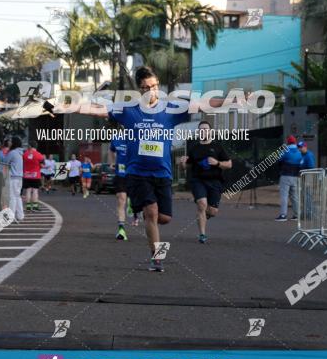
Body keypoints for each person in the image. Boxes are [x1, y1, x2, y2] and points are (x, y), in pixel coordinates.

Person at [79, 66, 226, 272]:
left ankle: (141, 215)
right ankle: (157, 259)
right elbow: (96, 109)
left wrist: (232, 100)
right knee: (152, 212)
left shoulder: (170, 109)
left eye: (155, 86)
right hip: (138, 173)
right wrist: (65, 106)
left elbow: (202, 105)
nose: (152, 91)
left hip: (162, 174)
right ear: (139, 90)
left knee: (164, 218)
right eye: (146, 88)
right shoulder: (128, 111)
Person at [183, 120, 231, 243]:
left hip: (215, 181)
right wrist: (182, 162)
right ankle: (202, 235)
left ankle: (203, 216)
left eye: (205, 129)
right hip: (198, 180)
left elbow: (229, 164)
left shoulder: (217, 147)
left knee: (212, 211)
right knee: (201, 204)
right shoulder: (194, 147)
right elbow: (187, 165)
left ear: (210, 132)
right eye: (201, 129)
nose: (203, 131)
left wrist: (218, 163)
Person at [109, 134, 134, 240]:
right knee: (121, 200)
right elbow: (111, 150)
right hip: (121, 175)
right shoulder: (117, 139)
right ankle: (121, 230)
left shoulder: (138, 137)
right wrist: (112, 162)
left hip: (134, 175)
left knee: (134, 201)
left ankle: (132, 203)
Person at [276, 136, 303, 222]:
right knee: (294, 196)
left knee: (284, 196)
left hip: (285, 175)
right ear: (295, 142)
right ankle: (297, 215)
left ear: (288, 142)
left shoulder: (285, 151)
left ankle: (283, 215)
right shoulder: (299, 152)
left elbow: (279, 161)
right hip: (295, 176)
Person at [5, 136, 25, 222]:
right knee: (17, 196)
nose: (9, 142)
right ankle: (20, 215)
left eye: (10, 141)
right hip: (19, 177)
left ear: (13, 143)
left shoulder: (12, 152)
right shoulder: (20, 153)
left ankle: (11, 216)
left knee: (12, 196)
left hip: (13, 177)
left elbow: (5, 161)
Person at [22, 143, 45, 212]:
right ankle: (35, 207)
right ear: (36, 147)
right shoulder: (39, 155)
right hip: (36, 175)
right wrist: (39, 166)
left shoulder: (25, 154)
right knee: (35, 191)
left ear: (30, 146)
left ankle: (28, 207)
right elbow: (43, 165)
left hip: (26, 174)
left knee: (28, 191)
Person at [298, 140, 317, 220]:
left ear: (305, 147)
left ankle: (309, 213)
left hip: (308, 175)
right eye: (299, 147)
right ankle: (306, 212)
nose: (299, 149)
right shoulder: (301, 154)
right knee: (304, 195)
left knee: (307, 194)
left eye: (301, 147)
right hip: (303, 175)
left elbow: (311, 167)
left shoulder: (308, 155)